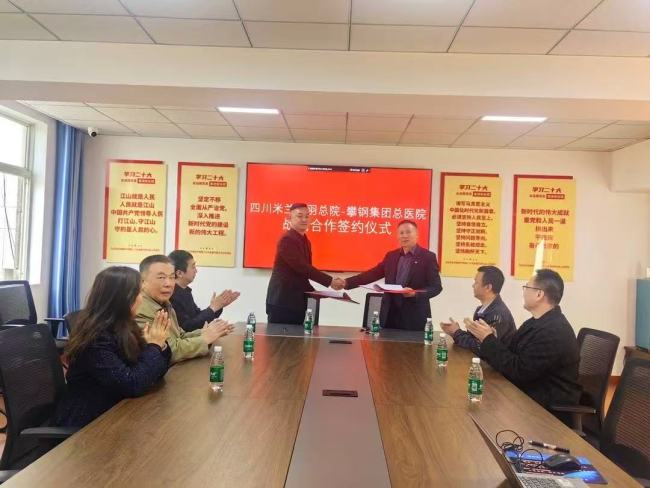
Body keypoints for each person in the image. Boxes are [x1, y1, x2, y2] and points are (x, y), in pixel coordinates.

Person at [56, 266, 171, 427]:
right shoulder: (96, 337)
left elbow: (153, 372)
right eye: (138, 293)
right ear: (123, 298)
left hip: (117, 408)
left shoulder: (125, 324)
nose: (141, 299)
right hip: (90, 422)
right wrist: (154, 346)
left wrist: (160, 344)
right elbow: (132, 384)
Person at [465, 268, 581, 416]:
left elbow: (518, 371)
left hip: (546, 410)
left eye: (526, 287)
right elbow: (512, 352)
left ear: (539, 294)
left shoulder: (554, 332)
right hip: (527, 395)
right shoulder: (536, 322)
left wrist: (488, 339)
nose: (523, 292)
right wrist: (492, 338)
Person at [338, 220, 442, 330]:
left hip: (414, 316)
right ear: (397, 236)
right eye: (401, 233)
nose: (404, 236)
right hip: (389, 315)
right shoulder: (391, 256)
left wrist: (415, 294)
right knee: (386, 341)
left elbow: (436, 287)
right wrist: (347, 282)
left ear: (416, 235)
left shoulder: (428, 257)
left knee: (412, 342)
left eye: (408, 232)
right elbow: (372, 274)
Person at [136, 255, 234, 363]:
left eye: (172, 277)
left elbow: (180, 335)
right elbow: (169, 351)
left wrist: (206, 332)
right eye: (161, 278)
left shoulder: (165, 304)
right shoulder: (140, 310)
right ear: (142, 282)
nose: (168, 284)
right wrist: (205, 338)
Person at [266, 203, 335, 325]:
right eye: (299, 216)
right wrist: (330, 281)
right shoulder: (287, 239)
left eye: (307, 216)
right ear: (289, 218)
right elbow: (301, 267)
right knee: (279, 337)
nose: (304, 219)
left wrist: (316, 292)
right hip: (282, 302)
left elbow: (303, 275)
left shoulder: (306, 241)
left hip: (297, 302)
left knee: (298, 336)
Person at [440, 266, 516, 354]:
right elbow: (473, 340)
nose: (473, 285)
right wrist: (455, 331)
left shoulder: (498, 315)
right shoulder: (481, 310)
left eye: (476, 282)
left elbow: (481, 347)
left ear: (488, 287)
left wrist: (456, 332)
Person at [168, 250, 240, 332]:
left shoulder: (185, 291)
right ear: (179, 273)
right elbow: (187, 327)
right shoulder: (171, 295)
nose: (196, 271)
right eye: (193, 267)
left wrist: (217, 306)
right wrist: (212, 308)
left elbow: (197, 316)